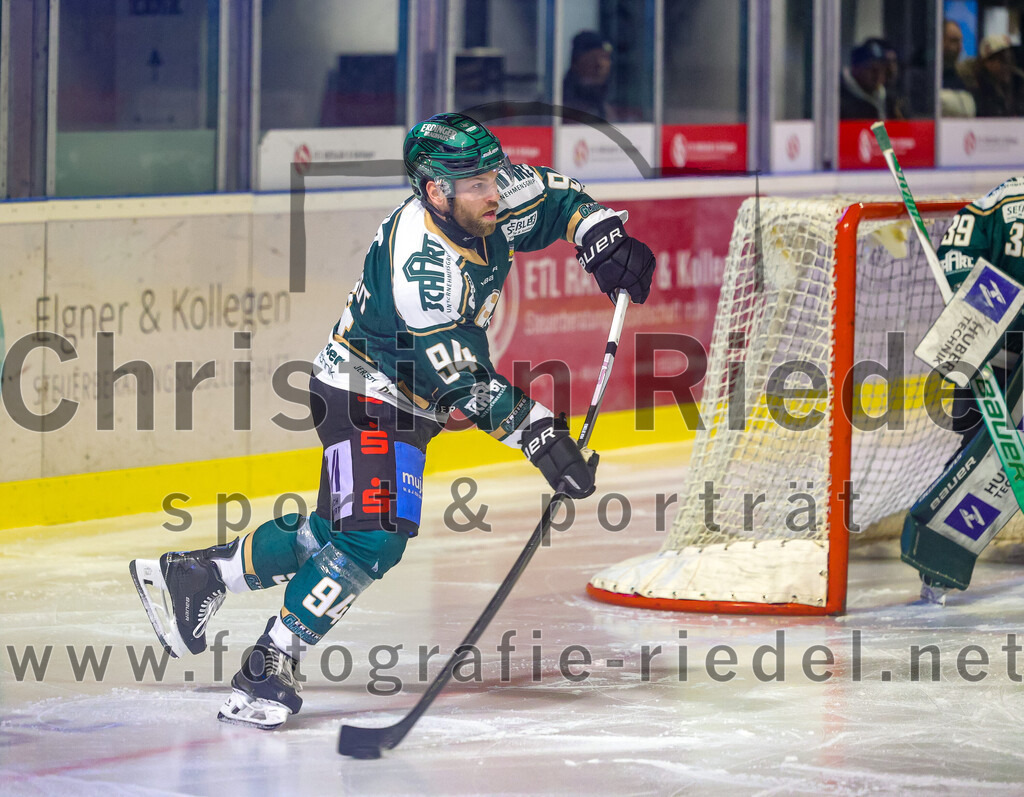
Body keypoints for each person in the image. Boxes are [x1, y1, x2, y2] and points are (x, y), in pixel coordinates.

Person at [128, 112, 656, 729]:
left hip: (405, 400)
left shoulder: (484, 197)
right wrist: (542, 437)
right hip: (364, 395)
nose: (494, 191)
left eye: (493, 176)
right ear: (435, 191)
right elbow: (464, 382)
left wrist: (600, 237)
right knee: (375, 536)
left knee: (333, 535)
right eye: (477, 184)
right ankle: (270, 662)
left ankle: (201, 574)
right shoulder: (422, 271)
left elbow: (558, 198)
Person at [904, 175, 1024, 603]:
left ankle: (937, 564)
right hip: (989, 365)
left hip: (993, 359)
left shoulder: (997, 201)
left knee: (984, 461)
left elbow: (955, 256)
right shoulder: (1001, 203)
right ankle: (938, 563)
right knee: (974, 461)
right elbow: (956, 260)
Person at [840, 38, 901, 120]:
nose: (878, 76)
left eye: (882, 70)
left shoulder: (891, 101)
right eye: (873, 70)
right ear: (856, 69)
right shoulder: (840, 101)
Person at [562, 30, 614, 121]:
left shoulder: (612, 101)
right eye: (593, 58)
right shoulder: (559, 101)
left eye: (604, 57)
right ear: (575, 62)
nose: (600, 64)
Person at [968, 33, 1024, 118]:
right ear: (986, 63)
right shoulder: (978, 92)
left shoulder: (1020, 83)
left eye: (1010, 57)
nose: (1007, 64)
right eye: (1002, 59)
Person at [940, 19, 976, 117]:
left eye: (960, 41)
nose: (959, 47)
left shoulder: (963, 76)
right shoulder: (923, 75)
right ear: (939, 41)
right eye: (953, 41)